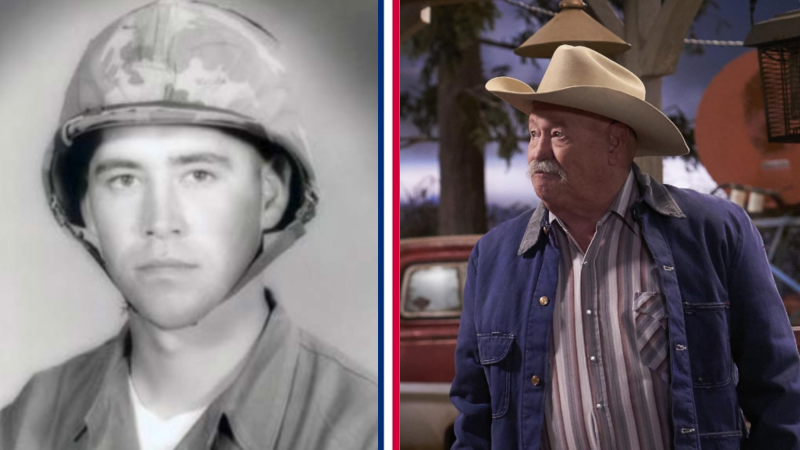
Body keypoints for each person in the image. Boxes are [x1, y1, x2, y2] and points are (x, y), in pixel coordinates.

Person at [0, 1, 378, 449]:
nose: (160, 222)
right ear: (84, 207)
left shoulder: (365, 428)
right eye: (124, 179)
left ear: (271, 197)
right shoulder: (27, 424)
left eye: (199, 175)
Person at [449, 45, 800, 450]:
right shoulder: (494, 258)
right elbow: (475, 414)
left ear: (615, 143)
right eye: (533, 133)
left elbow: (779, 391)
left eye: (557, 134)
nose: (537, 154)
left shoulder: (713, 233)